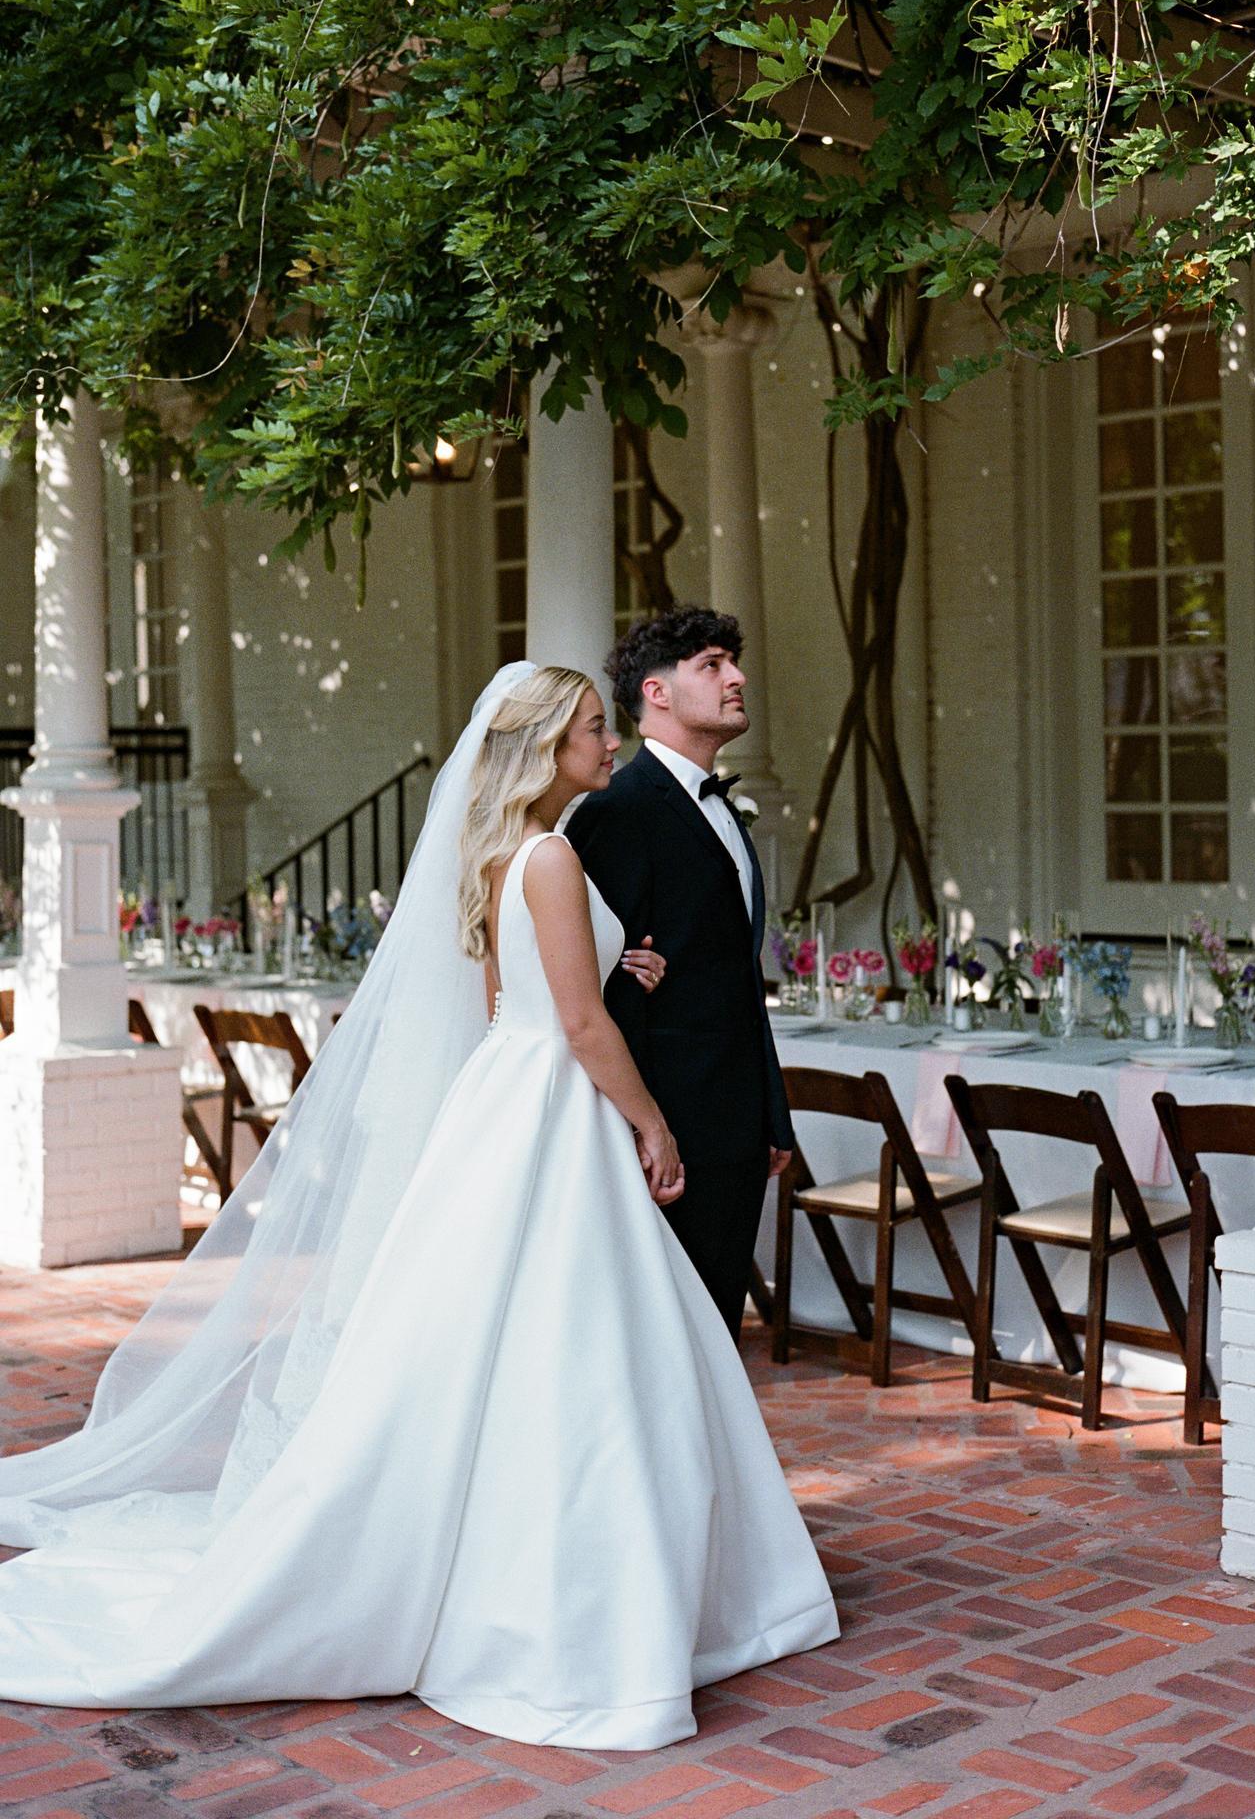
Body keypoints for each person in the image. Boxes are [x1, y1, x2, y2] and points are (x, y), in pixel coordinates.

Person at [0, 663, 837, 1750]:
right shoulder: (551, 855)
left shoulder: (500, 854)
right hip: (559, 1104)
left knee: (515, 1334)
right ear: (544, 747)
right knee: (577, 1339)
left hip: (509, 1095)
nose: (607, 743)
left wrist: (607, 978)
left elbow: (508, 1004)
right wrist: (652, 1123)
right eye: (591, 729)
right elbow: (578, 1028)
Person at [567, 609, 793, 1339]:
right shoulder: (618, 810)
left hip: (733, 1124)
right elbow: (590, 987)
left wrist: (769, 1113)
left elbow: (738, 979)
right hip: (667, 1129)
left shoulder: (720, 807)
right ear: (657, 693)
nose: (738, 678)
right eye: (713, 664)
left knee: (717, 1335)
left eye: (733, 662)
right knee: (668, 1341)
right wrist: (642, 1130)